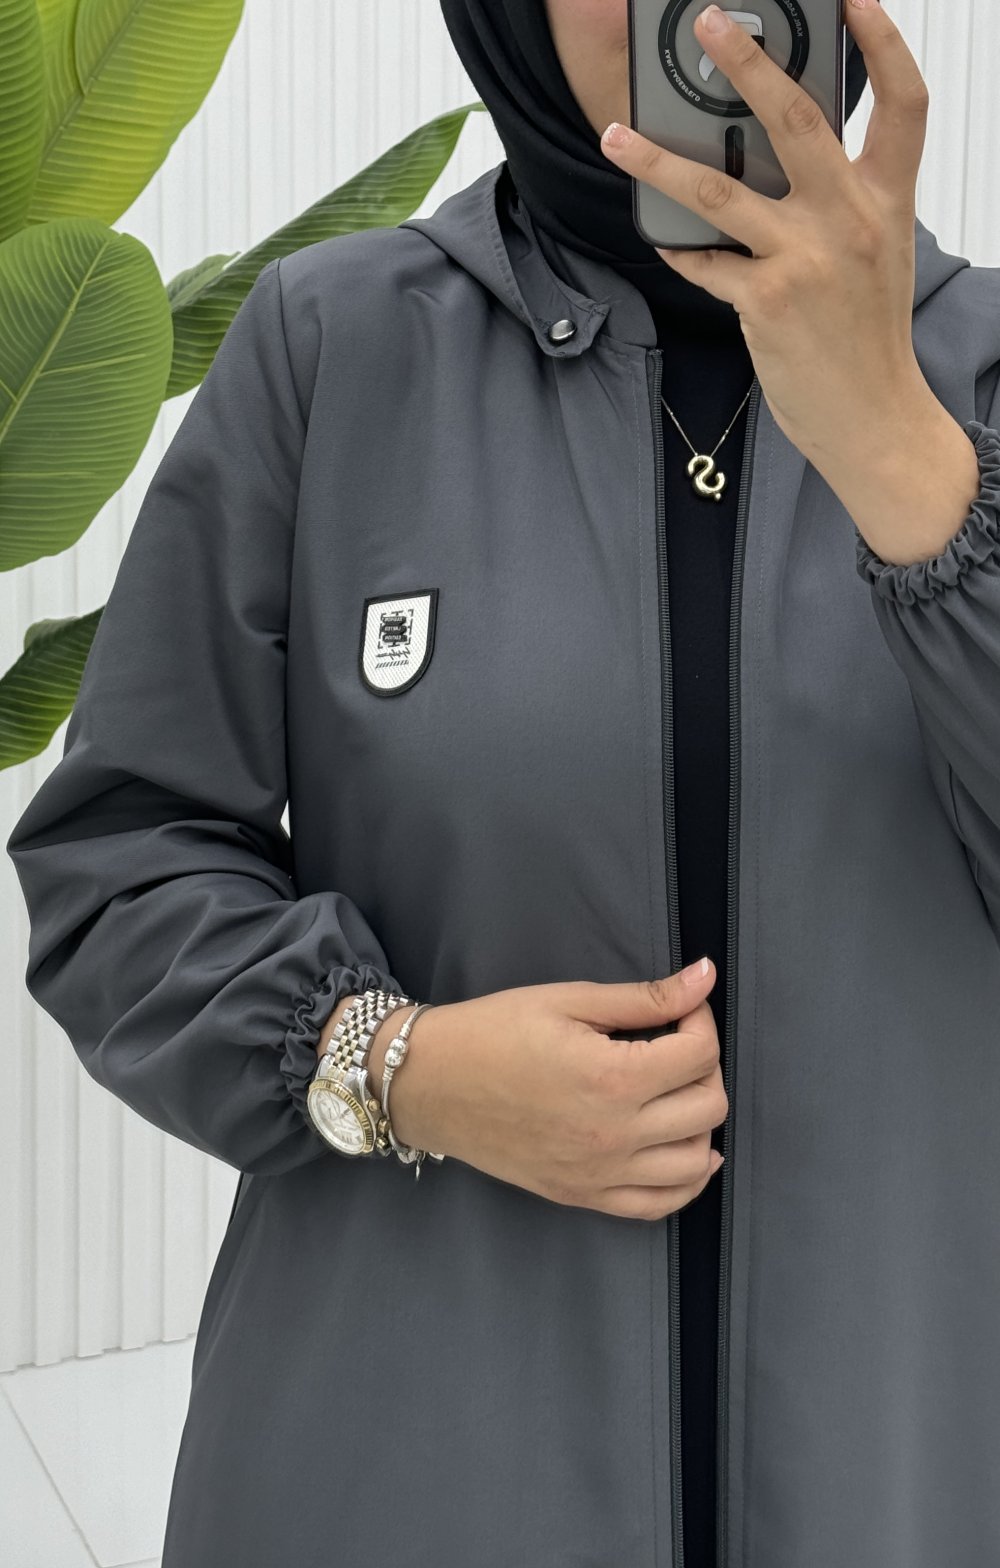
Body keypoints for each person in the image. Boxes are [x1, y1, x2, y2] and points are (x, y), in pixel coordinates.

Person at [7, 2, 1000, 1565]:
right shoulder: (334, 347)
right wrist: (399, 1066)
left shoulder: (983, 372)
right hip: (410, 1472)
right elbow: (118, 866)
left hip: (902, 1466)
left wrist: (907, 460)